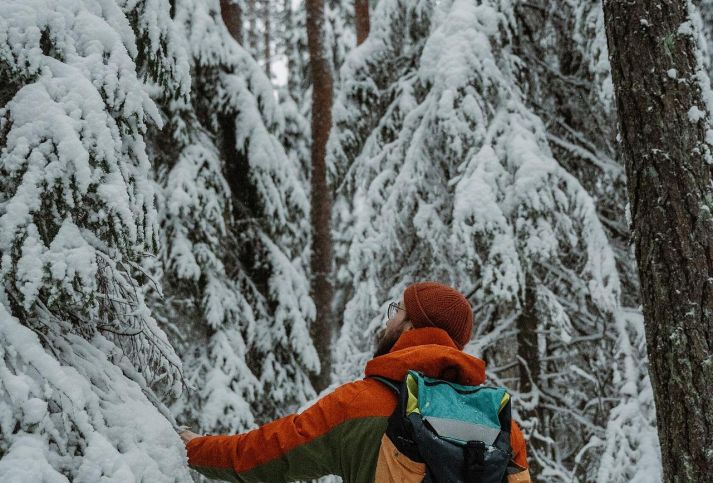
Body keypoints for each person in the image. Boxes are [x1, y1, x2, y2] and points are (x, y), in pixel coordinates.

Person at [181, 281, 531, 482]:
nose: (388, 321)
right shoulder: (501, 426)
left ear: (410, 327)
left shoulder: (360, 403)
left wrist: (194, 448)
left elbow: (265, 454)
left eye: (397, 311)